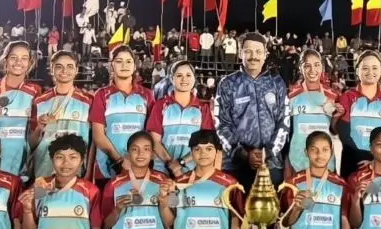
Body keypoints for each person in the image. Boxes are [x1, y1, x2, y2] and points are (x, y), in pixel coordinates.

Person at [214, 32, 289, 190]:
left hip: (271, 164)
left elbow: (284, 121)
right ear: (240, 53)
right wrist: (242, 154)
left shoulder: (277, 83)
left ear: (265, 55)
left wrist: (268, 152)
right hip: (235, 165)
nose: (253, 56)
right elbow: (221, 124)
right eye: (248, 51)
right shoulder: (227, 84)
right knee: (236, 206)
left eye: (258, 51)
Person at [280, 131, 350, 229]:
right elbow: (285, 222)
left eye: (325, 150)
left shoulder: (340, 185)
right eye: (314, 150)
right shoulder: (293, 183)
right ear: (306, 152)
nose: (320, 155)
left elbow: (345, 225)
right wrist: (297, 208)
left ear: (331, 152)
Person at [101, 132, 172, 229]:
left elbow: (171, 222)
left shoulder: (165, 182)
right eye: (135, 149)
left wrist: (164, 203)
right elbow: (105, 225)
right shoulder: (113, 184)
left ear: (152, 154)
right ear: (127, 154)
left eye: (146, 149)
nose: (140, 154)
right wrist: (118, 209)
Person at [90, 45, 154, 184]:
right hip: (106, 168)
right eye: (119, 61)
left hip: (139, 167)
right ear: (112, 65)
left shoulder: (147, 95)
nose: (124, 65)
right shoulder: (101, 95)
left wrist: (137, 158)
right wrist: (119, 161)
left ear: (134, 66)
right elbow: (98, 135)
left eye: (128, 61)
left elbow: (151, 134)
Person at [334, 51, 381, 180]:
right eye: (365, 68)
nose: (370, 72)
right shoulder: (347, 97)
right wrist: (364, 158)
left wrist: (377, 159)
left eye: (375, 68)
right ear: (357, 71)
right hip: (353, 162)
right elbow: (343, 133)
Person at [0, 41, 40, 176]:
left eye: (24, 58)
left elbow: (35, 135)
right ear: (5, 60)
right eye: (13, 57)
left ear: (30, 63)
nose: (18, 62)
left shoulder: (35, 92)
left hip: (21, 165)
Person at [29, 51, 92, 179]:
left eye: (70, 66)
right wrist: (39, 128)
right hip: (44, 166)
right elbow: (31, 143)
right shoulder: (39, 101)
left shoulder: (89, 101)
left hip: (75, 167)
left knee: (72, 193)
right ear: (52, 69)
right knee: (42, 192)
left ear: (76, 70)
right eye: (59, 66)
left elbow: (93, 142)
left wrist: (89, 170)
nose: (64, 71)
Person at [146, 60, 214, 177]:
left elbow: (205, 143)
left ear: (194, 79)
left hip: (192, 172)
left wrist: (181, 163)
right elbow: (154, 140)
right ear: (171, 79)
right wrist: (171, 164)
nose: (184, 79)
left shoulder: (202, 108)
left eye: (188, 75)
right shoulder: (160, 106)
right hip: (162, 172)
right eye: (179, 75)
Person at [285, 50, 342, 179]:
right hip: (298, 158)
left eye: (316, 65)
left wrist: (336, 117)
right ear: (300, 68)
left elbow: (335, 131)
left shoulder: (333, 95)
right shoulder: (292, 95)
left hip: (325, 159)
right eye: (307, 65)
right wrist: (287, 164)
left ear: (322, 67)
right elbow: (288, 133)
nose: (312, 70)